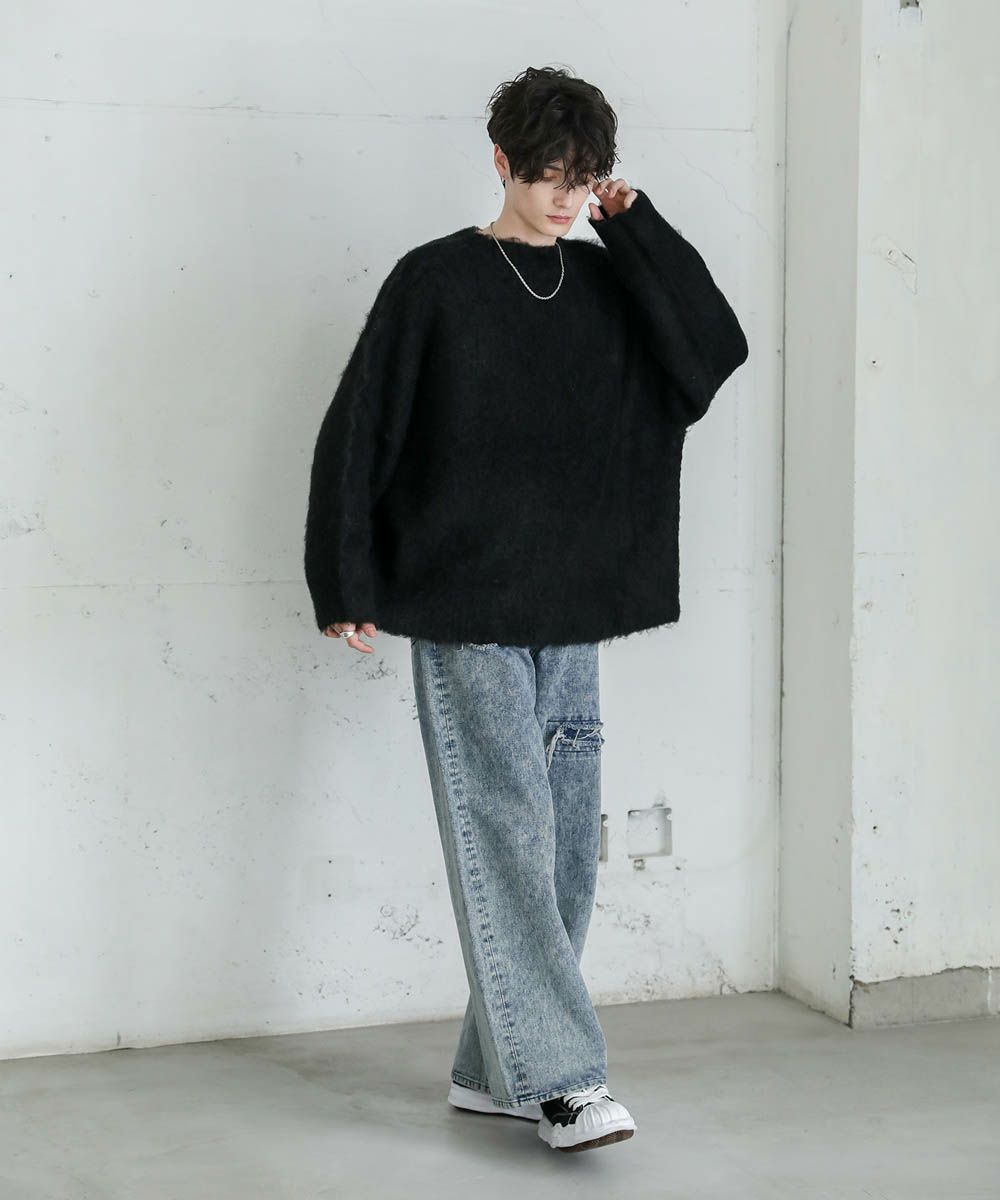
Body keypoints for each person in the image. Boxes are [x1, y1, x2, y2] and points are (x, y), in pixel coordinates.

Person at [304, 65, 749, 1153]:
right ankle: (559, 1080)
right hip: (466, 603)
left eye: (582, 179)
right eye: (547, 174)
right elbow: (361, 427)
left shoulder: (608, 279)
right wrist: (343, 578)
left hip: (573, 602)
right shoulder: (436, 280)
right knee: (504, 826)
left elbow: (709, 354)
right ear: (501, 161)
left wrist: (635, 228)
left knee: (559, 849)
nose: (563, 197)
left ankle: (487, 1072)